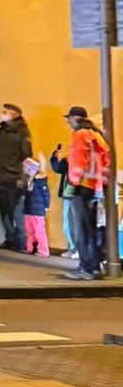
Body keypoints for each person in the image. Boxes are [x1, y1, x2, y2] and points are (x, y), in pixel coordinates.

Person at [62, 107, 111, 282]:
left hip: (81, 187)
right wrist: (101, 185)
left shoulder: (80, 135)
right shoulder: (96, 136)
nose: (67, 122)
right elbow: (106, 162)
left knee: (81, 230)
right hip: (94, 187)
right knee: (90, 229)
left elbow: (77, 162)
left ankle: (86, 269)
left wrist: (72, 186)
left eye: (69, 119)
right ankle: (94, 266)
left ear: (76, 118)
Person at [0, 104, 32, 252]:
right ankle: (10, 239)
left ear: (15, 115)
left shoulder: (22, 132)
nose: (2, 114)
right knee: (4, 211)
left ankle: (21, 242)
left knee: (17, 211)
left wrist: (23, 177)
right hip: (0, 177)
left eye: (6, 112)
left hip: (14, 178)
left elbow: (27, 157)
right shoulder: (1, 131)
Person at [49, 138, 77, 263]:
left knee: (76, 224)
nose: (69, 149)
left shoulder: (83, 160)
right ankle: (72, 247)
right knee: (67, 223)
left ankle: (78, 249)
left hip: (77, 196)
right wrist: (54, 158)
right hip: (67, 195)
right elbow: (57, 169)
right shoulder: (67, 160)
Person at [20, 157, 50, 256]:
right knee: (29, 230)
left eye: (25, 167)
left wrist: (46, 206)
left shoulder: (40, 181)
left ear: (30, 168)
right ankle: (30, 247)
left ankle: (43, 250)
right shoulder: (29, 180)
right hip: (29, 209)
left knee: (39, 231)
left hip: (38, 210)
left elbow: (46, 194)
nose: (23, 169)